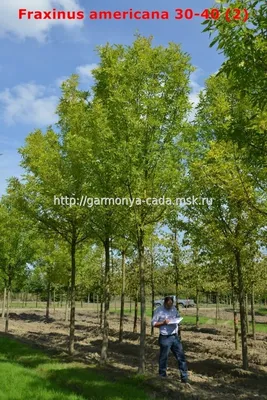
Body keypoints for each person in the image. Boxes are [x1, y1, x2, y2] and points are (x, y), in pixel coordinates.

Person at [152, 296, 189, 384]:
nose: (170, 306)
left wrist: (178, 321)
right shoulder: (159, 310)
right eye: (168, 305)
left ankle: (184, 378)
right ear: (164, 303)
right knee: (164, 358)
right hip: (165, 337)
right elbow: (153, 323)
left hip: (175, 337)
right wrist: (163, 323)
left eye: (171, 304)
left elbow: (177, 317)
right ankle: (162, 376)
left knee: (181, 357)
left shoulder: (174, 309)